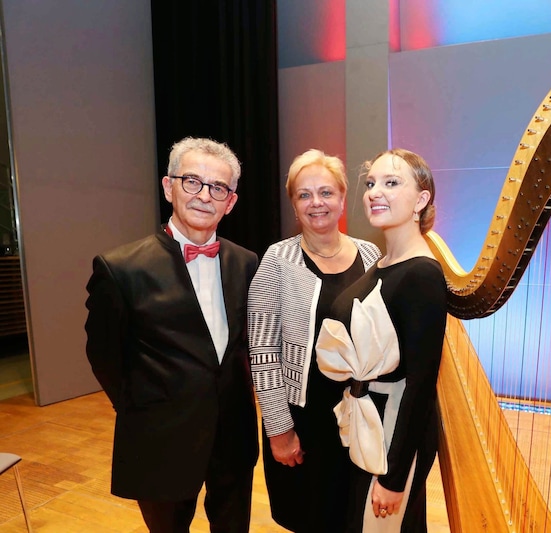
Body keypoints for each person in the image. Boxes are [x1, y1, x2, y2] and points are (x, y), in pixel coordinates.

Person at [84, 137, 259, 533]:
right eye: (192, 181)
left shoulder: (247, 262)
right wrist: (151, 408)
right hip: (162, 439)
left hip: (233, 435)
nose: (203, 196)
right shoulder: (120, 268)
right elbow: (105, 358)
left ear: (230, 202)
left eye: (218, 188)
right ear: (169, 187)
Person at [248, 149, 382, 532]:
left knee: (355, 515)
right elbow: (262, 352)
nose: (316, 203)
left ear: (342, 198)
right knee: (312, 518)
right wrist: (279, 429)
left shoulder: (371, 254)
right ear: (293, 204)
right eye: (304, 195)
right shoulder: (277, 261)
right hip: (304, 419)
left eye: (326, 192)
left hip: (360, 412)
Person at [316, 148, 448, 532]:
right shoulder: (385, 262)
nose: (375, 191)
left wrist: (393, 479)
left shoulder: (421, 274)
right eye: (371, 183)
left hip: (393, 435)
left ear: (420, 200)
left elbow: (420, 387)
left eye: (392, 183)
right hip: (369, 422)